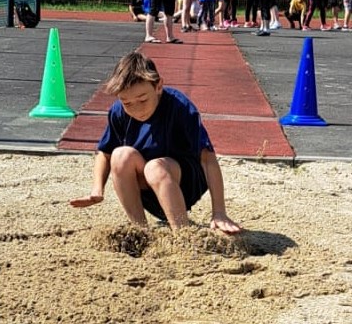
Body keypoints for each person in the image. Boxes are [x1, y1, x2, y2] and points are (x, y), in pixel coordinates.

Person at [69, 51, 242, 233]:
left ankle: (183, 235)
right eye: (127, 103)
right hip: (146, 189)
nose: (136, 109)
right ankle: (140, 231)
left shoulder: (180, 107)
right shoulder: (118, 112)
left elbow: (207, 158)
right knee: (120, 155)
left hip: (184, 184)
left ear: (158, 86)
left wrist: (219, 212)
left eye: (143, 99)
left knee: (155, 167)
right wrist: (97, 190)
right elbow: (105, 153)